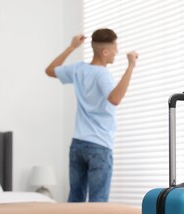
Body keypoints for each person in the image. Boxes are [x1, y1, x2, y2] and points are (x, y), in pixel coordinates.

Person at [45, 28, 138, 202]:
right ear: (105, 51)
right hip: (99, 146)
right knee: (98, 202)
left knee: (75, 199)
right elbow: (115, 99)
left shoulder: (79, 69)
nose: (116, 53)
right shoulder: (102, 75)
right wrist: (130, 66)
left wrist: (71, 47)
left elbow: (50, 70)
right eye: (115, 49)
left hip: (78, 145)